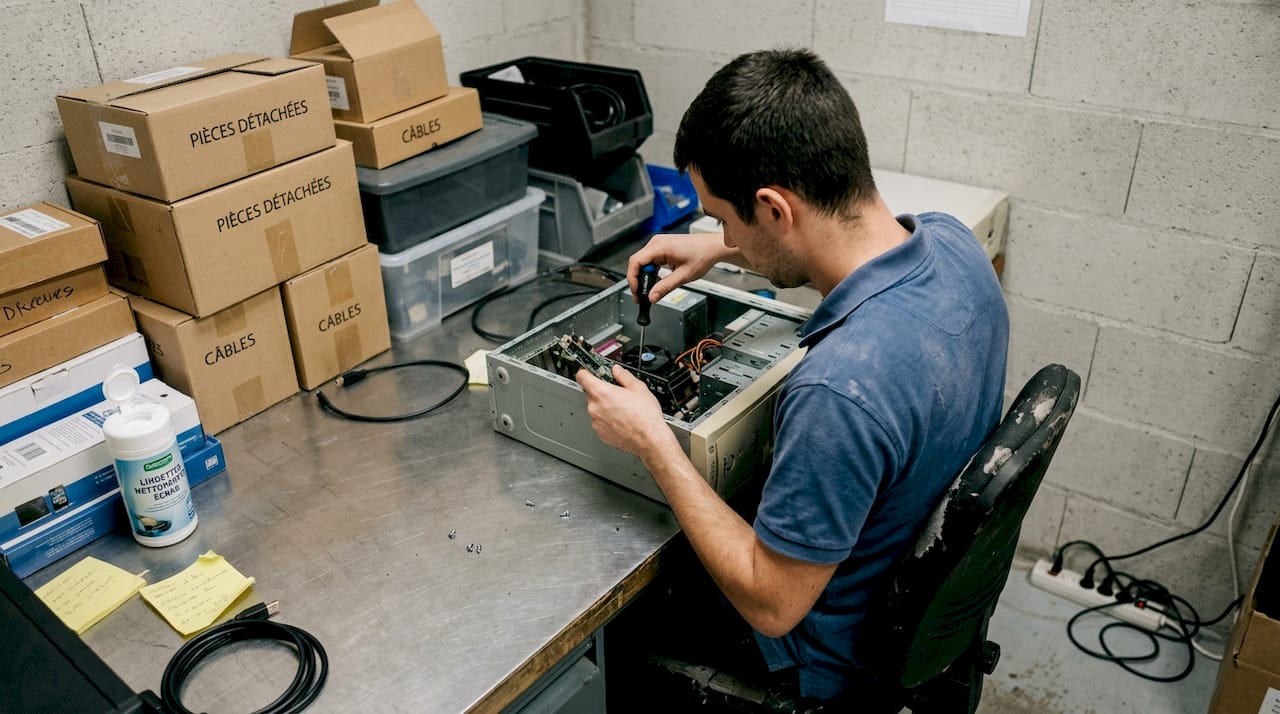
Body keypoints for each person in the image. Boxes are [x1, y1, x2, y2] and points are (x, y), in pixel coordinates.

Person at [575, 48, 1009, 708]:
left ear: (776, 209)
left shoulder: (839, 391)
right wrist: (722, 245)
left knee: (614, 617)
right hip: (899, 594)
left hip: (824, 662)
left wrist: (654, 443)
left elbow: (773, 607)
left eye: (723, 216)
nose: (722, 232)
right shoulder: (955, 245)